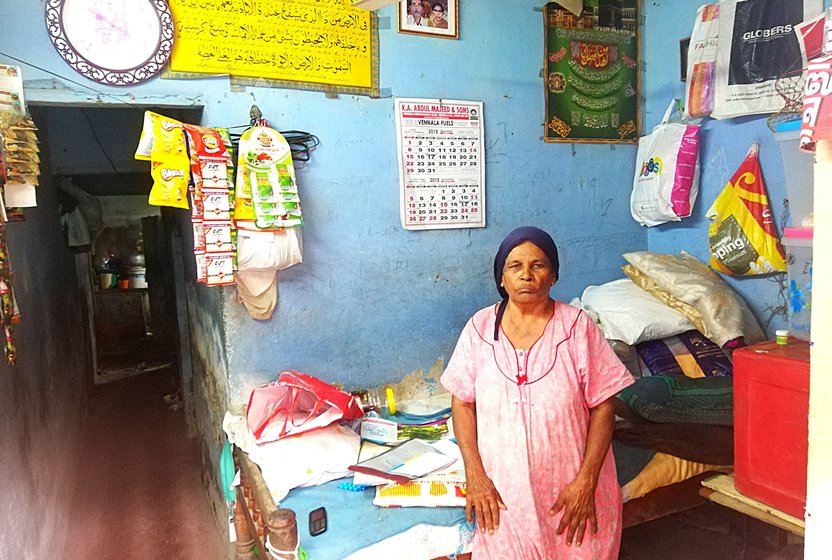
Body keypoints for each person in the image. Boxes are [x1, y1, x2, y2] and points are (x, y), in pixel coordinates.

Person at [440, 226, 634, 559]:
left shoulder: (576, 327)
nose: (526, 275)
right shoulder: (480, 328)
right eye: (515, 266)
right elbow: (462, 401)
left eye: (538, 265)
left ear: (553, 276)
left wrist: (586, 482)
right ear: (502, 278)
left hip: (571, 492)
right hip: (503, 494)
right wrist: (475, 475)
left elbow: (603, 406)